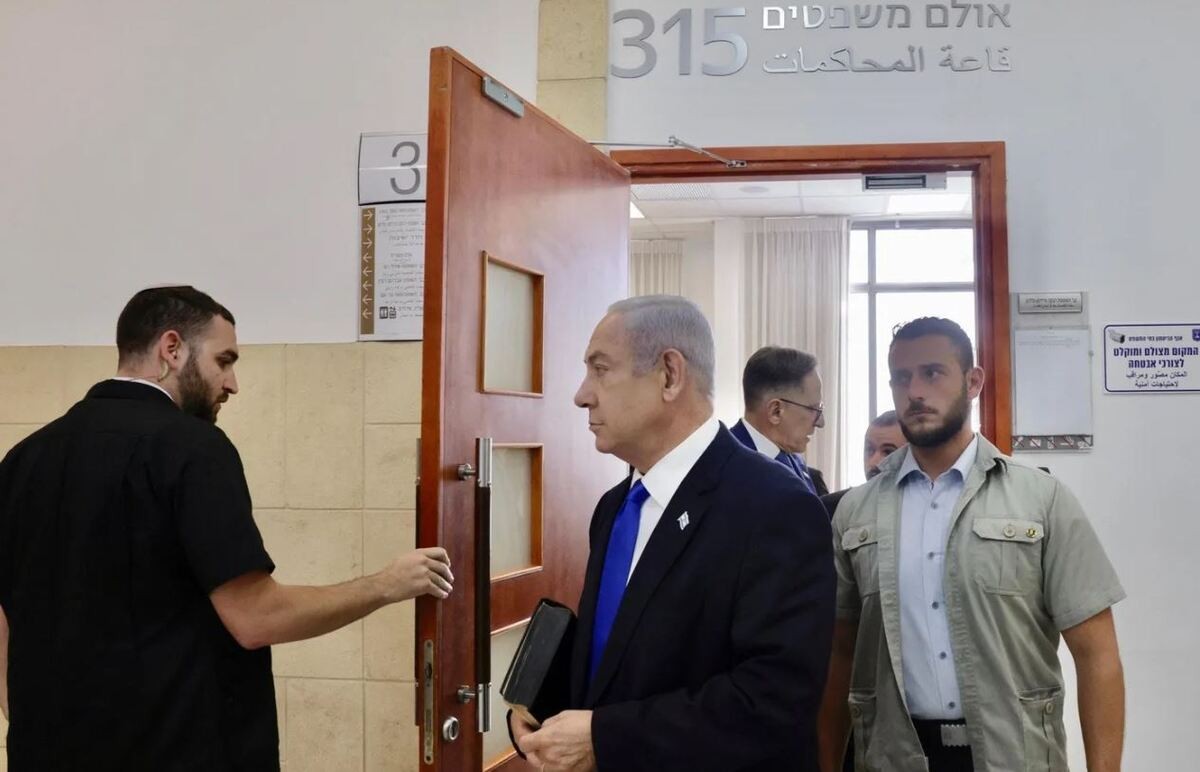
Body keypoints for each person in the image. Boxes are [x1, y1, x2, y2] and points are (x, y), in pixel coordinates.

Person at [0, 286, 454, 771]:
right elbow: (256, 618)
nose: (232, 383)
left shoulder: (24, 458)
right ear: (171, 349)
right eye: (224, 361)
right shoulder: (194, 449)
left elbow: (6, 616)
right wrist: (387, 584)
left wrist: (30, 715)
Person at [510, 295, 835, 771]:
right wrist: (543, 709)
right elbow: (621, 658)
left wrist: (605, 739)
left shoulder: (777, 507)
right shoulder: (615, 508)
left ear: (669, 374)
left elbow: (773, 701)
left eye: (600, 369)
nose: (582, 395)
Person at [818, 317, 1125, 772]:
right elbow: (840, 653)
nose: (915, 391)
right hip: (894, 756)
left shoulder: (1040, 500)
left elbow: (1097, 654)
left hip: (1012, 756)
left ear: (973, 381)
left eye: (932, 373)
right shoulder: (855, 512)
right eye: (901, 378)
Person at [730, 346, 828, 496]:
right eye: (813, 409)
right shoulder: (725, 465)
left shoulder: (795, 461)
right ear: (775, 411)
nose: (821, 422)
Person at [821, 410, 907, 516]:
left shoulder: (920, 505)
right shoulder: (833, 507)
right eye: (870, 450)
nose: (873, 462)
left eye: (888, 452)